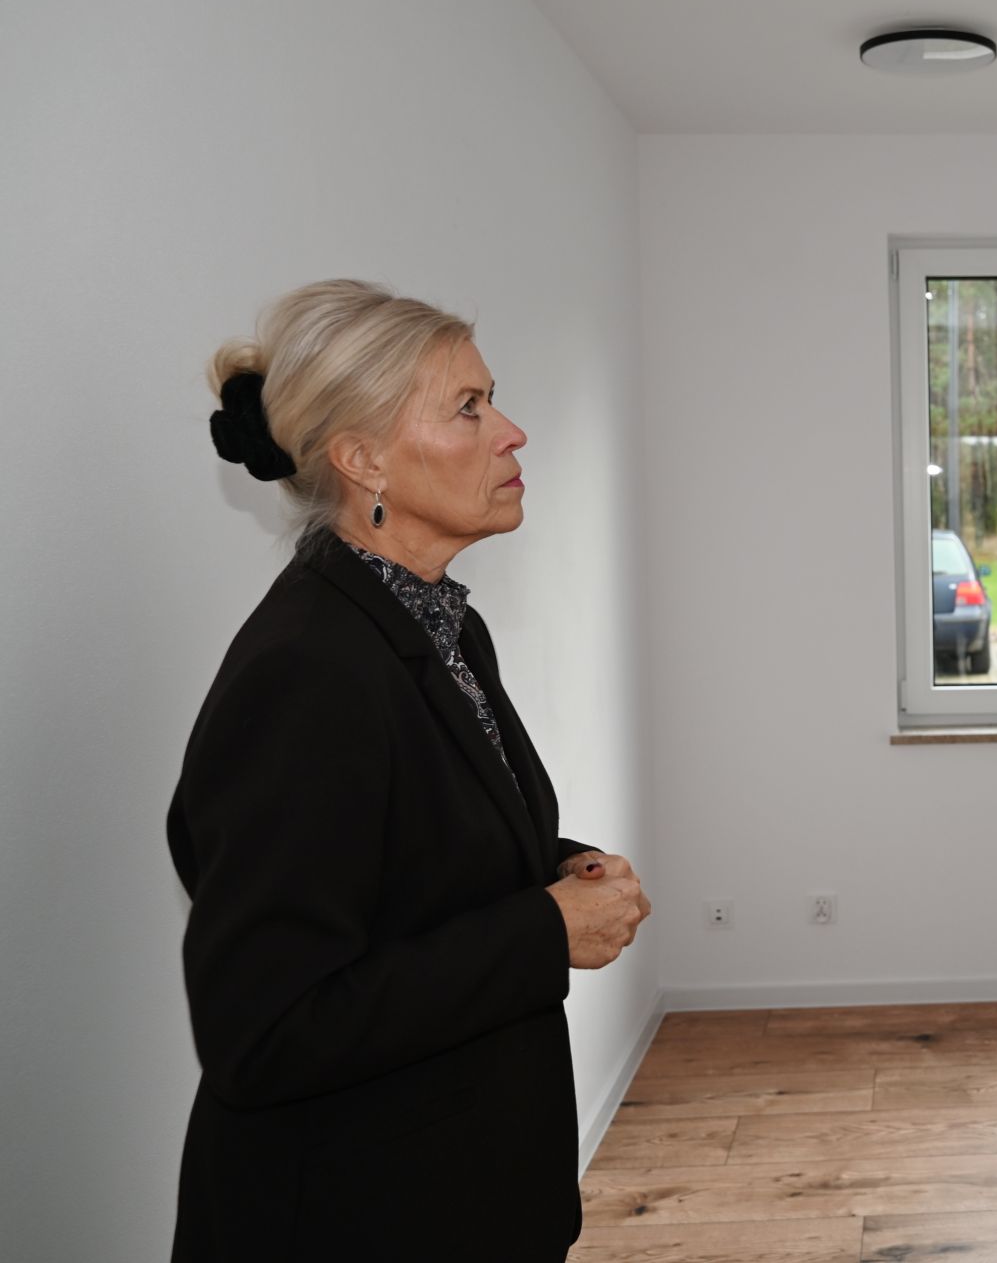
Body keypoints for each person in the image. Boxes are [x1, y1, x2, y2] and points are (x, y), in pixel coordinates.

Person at [168, 280, 652, 1261]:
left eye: (492, 399)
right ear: (362, 459)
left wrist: (555, 865)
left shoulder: (437, 624)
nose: (510, 432)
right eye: (468, 408)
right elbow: (266, 1028)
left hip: (458, 1191)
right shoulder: (306, 672)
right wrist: (544, 929)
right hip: (352, 1218)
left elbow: (399, 847)